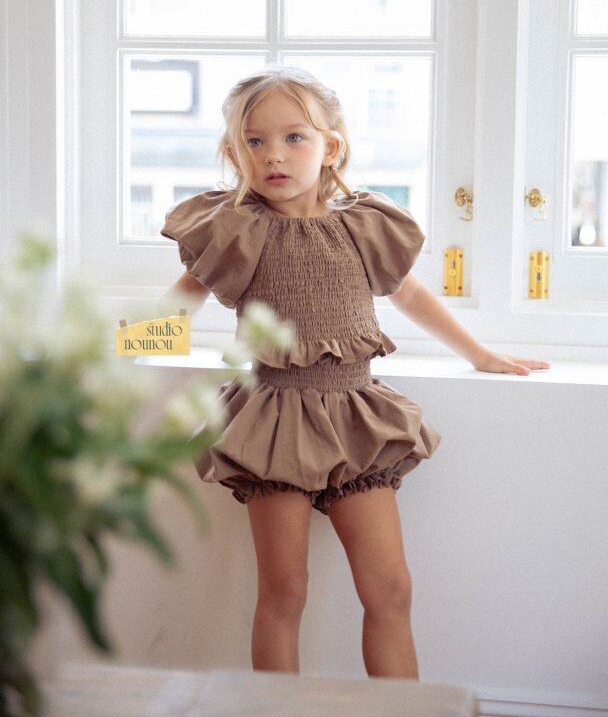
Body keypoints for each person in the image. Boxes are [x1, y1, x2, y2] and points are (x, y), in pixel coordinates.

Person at [159, 64, 550, 680]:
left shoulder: (364, 225)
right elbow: (176, 309)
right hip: (274, 423)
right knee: (284, 593)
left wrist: (479, 355)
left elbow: (412, 296)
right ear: (235, 154)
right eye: (254, 141)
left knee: (391, 590)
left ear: (330, 146)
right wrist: (102, 349)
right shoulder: (236, 230)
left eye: (294, 137)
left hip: (355, 418)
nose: (273, 155)